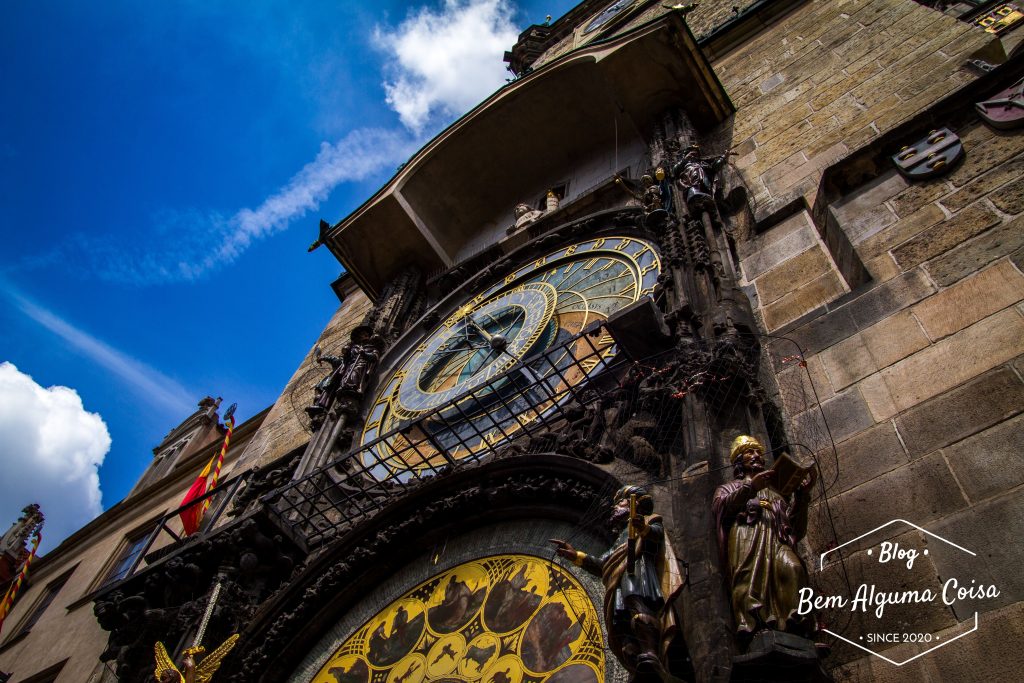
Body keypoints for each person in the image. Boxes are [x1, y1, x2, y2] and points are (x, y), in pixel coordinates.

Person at [550, 485, 681, 678]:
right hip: (619, 583)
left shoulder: (650, 521)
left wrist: (642, 528)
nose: (615, 507)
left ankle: (651, 652)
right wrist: (576, 555)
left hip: (638, 574)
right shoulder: (621, 536)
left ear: (633, 505)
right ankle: (634, 659)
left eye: (620, 502)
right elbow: (605, 563)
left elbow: (656, 535)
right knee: (620, 622)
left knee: (638, 606)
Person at [711, 435, 818, 643]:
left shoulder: (777, 494)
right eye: (750, 452)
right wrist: (751, 488)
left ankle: (797, 626)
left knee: (793, 568)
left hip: (777, 541)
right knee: (750, 580)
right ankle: (755, 627)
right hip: (747, 538)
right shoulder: (729, 487)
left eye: (759, 452)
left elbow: (797, 530)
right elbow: (720, 508)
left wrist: (803, 497)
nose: (756, 456)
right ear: (738, 460)